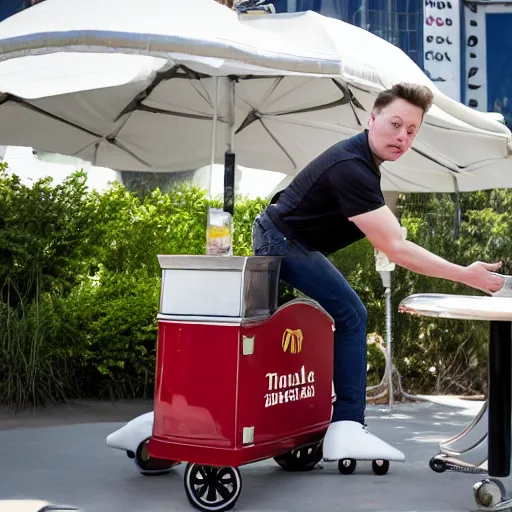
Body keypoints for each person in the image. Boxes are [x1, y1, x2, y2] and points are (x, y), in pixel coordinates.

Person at [252, 82, 504, 462]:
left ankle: (323, 418)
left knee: (305, 326)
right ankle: (348, 425)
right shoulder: (353, 168)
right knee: (352, 314)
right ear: (372, 118)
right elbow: (396, 248)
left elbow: (389, 238)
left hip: (287, 239)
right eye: (395, 124)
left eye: (411, 131)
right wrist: (467, 275)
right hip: (281, 241)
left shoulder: (364, 164)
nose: (402, 137)